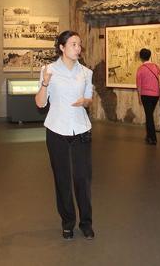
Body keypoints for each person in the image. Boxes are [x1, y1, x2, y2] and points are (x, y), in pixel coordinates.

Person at [35, 30, 94, 240]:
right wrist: (45, 83)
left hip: (81, 129)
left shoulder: (86, 72)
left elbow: (89, 98)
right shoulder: (48, 70)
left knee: (82, 178)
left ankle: (86, 222)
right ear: (62, 47)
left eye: (79, 44)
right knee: (62, 178)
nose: (78, 48)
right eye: (73, 44)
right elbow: (40, 103)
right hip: (56, 129)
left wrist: (85, 102)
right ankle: (67, 222)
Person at [136, 48, 160, 145]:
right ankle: (148, 136)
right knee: (149, 115)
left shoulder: (140, 69)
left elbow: (139, 85)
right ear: (150, 56)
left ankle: (153, 138)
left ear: (141, 57)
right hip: (155, 95)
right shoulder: (156, 67)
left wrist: (139, 97)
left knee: (149, 116)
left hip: (145, 95)